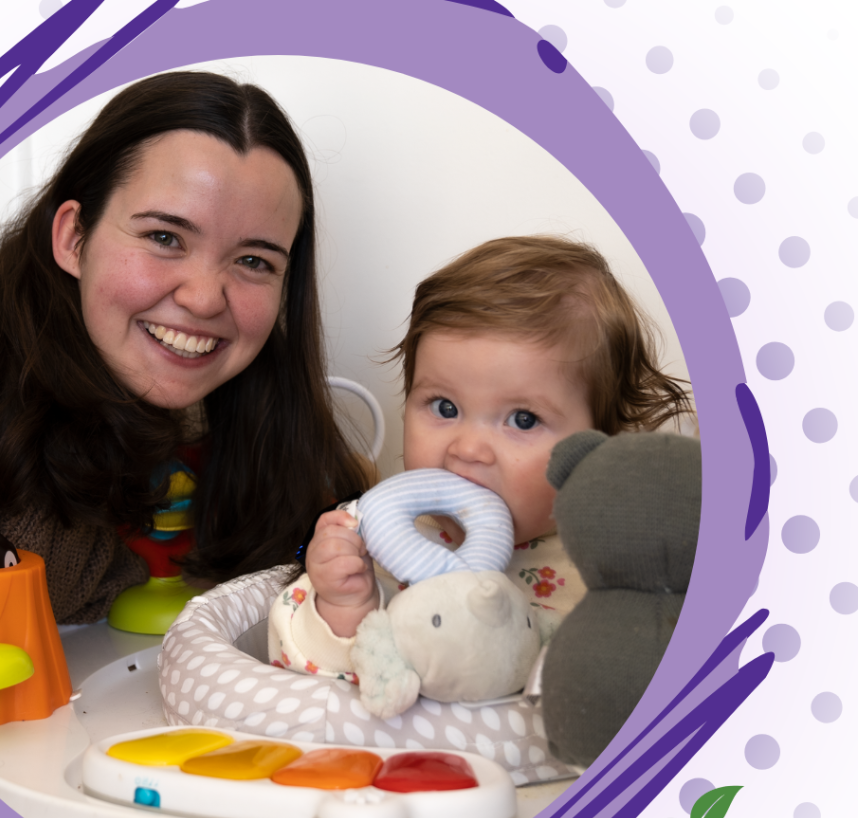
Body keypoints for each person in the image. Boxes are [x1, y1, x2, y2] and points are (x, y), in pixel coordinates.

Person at [0, 71, 369, 690]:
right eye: (163, 237)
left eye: (254, 261)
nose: (206, 298)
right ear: (73, 238)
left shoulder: (218, 387)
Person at [269, 235, 692, 686]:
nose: (467, 449)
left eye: (524, 419)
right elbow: (295, 674)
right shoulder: (376, 544)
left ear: (598, 446)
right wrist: (343, 607)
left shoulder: (609, 569)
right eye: (444, 408)